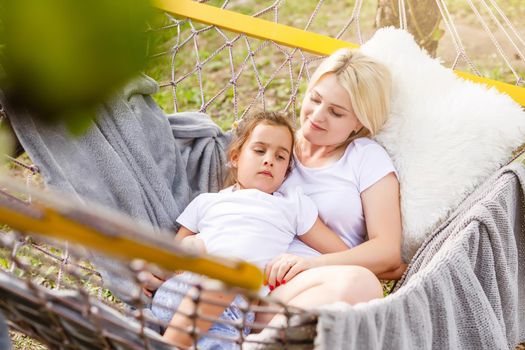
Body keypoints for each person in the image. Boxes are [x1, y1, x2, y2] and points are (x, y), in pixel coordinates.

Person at [150, 111, 349, 348]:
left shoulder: (292, 205)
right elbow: (175, 253)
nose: (269, 160)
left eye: (280, 156)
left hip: (237, 318)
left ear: (286, 171)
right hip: (183, 293)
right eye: (259, 150)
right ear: (235, 157)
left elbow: (340, 253)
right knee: (219, 268)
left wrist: (301, 261)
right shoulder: (207, 202)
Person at [256, 48, 403, 330]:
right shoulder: (277, 148)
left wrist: (312, 265)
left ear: (359, 121)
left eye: (336, 112)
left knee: (361, 283)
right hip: (257, 280)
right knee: (361, 283)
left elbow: (387, 252)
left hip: (313, 286)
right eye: (315, 99)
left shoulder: (365, 158)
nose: (317, 116)